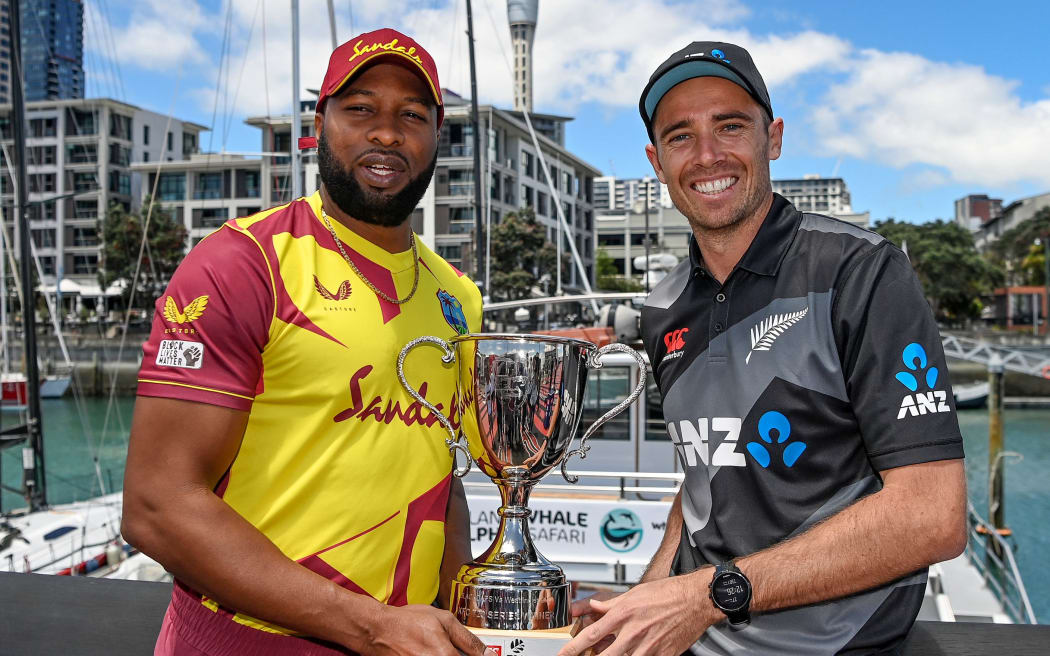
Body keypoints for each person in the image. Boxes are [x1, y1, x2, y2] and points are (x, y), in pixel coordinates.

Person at [561, 42, 967, 656]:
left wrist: (705, 597)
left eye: (730, 126)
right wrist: (643, 604)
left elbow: (932, 516)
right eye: (680, 136)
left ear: (772, 138)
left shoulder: (862, 272)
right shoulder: (663, 308)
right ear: (656, 161)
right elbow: (704, 483)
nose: (707, 155)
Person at [122, 28, 491, 656]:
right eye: (361, 109)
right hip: (242, 641)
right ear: (320, 126)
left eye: (412, 116)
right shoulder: (243, 262)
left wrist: (469, 617)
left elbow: (439, 474)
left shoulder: (458, 295)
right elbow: (157, 504)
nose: (387, 134)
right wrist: (374, 626)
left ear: (437, 138)